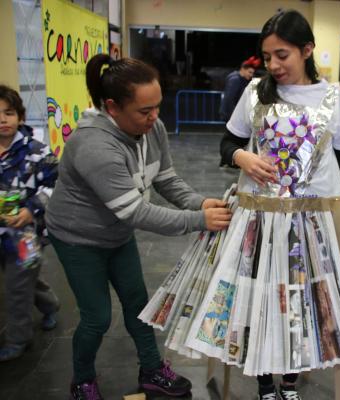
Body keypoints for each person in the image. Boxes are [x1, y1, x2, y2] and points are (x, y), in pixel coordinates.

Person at [198, 9, 340, 400]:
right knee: (258, 296)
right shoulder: (255, 92)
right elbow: (228, 143)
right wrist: (242, 157)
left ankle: (289, 381)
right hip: (259, 219)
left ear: (307, 50)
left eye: (283, 55)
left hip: (313, 221)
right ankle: (263, 381)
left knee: (301, 299)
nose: (273, 65)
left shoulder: (333, 97)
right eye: (268, 56)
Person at [45, 54, 232, 400]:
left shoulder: (152, 129)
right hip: (78, 240)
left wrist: (199, 202)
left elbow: (166, 179)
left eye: (158, 107)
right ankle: (82, 380)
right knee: (97, 317)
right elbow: (136, 213)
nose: (154, 117)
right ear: (113, 107)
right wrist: (198, 220)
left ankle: (151, 370)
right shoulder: (94, 146)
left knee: (138, 304)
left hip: (116, 234)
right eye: (144, 111)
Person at [0, 85, 60, 362]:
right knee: (24, 281)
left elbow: (56, 184)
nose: (3, 120)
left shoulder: (37, 151)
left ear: (20, 117)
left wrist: (32, 208)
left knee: (16, 286)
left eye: (9, 113)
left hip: (26, 236)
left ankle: (17, 339)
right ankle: (50, 304)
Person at [219, 56, 261, 168]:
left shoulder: (239, 79)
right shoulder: (235, 80)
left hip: (231, 112)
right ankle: (227, 160)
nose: (251, 75)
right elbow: (229, 99)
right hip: (230, 113)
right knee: (232, 138)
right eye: (250, 72)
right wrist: (233, 115)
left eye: (253, 72)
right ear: (243, 69)